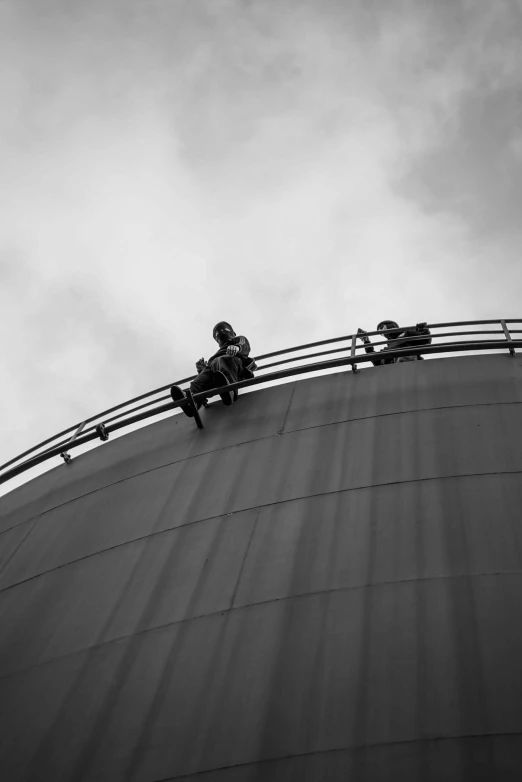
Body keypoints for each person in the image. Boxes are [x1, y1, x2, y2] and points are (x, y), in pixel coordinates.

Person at [171, 321, 256, 417]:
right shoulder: (215, 356)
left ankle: (229, 389)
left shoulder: (237, 340)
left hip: (231, 362)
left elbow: (244, 345)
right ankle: (192, 402)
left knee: (222, 360)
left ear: (233, 333)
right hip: (215, 368)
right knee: (198, 381)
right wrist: (202, 370)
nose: (221, 332)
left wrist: (237, 348)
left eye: (225, 329)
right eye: (217, 333)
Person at [357, 320, 431, 366]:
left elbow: (425, 341)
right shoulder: (387, 349)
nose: (383, 333)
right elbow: (374, 359)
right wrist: (366, 341)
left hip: (408, 366)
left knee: (403, 356)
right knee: (382, 361)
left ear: (391, 326)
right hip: (390, 373)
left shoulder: (407, 334)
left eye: (383, 328)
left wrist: (424, 330)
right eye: (381, 332)